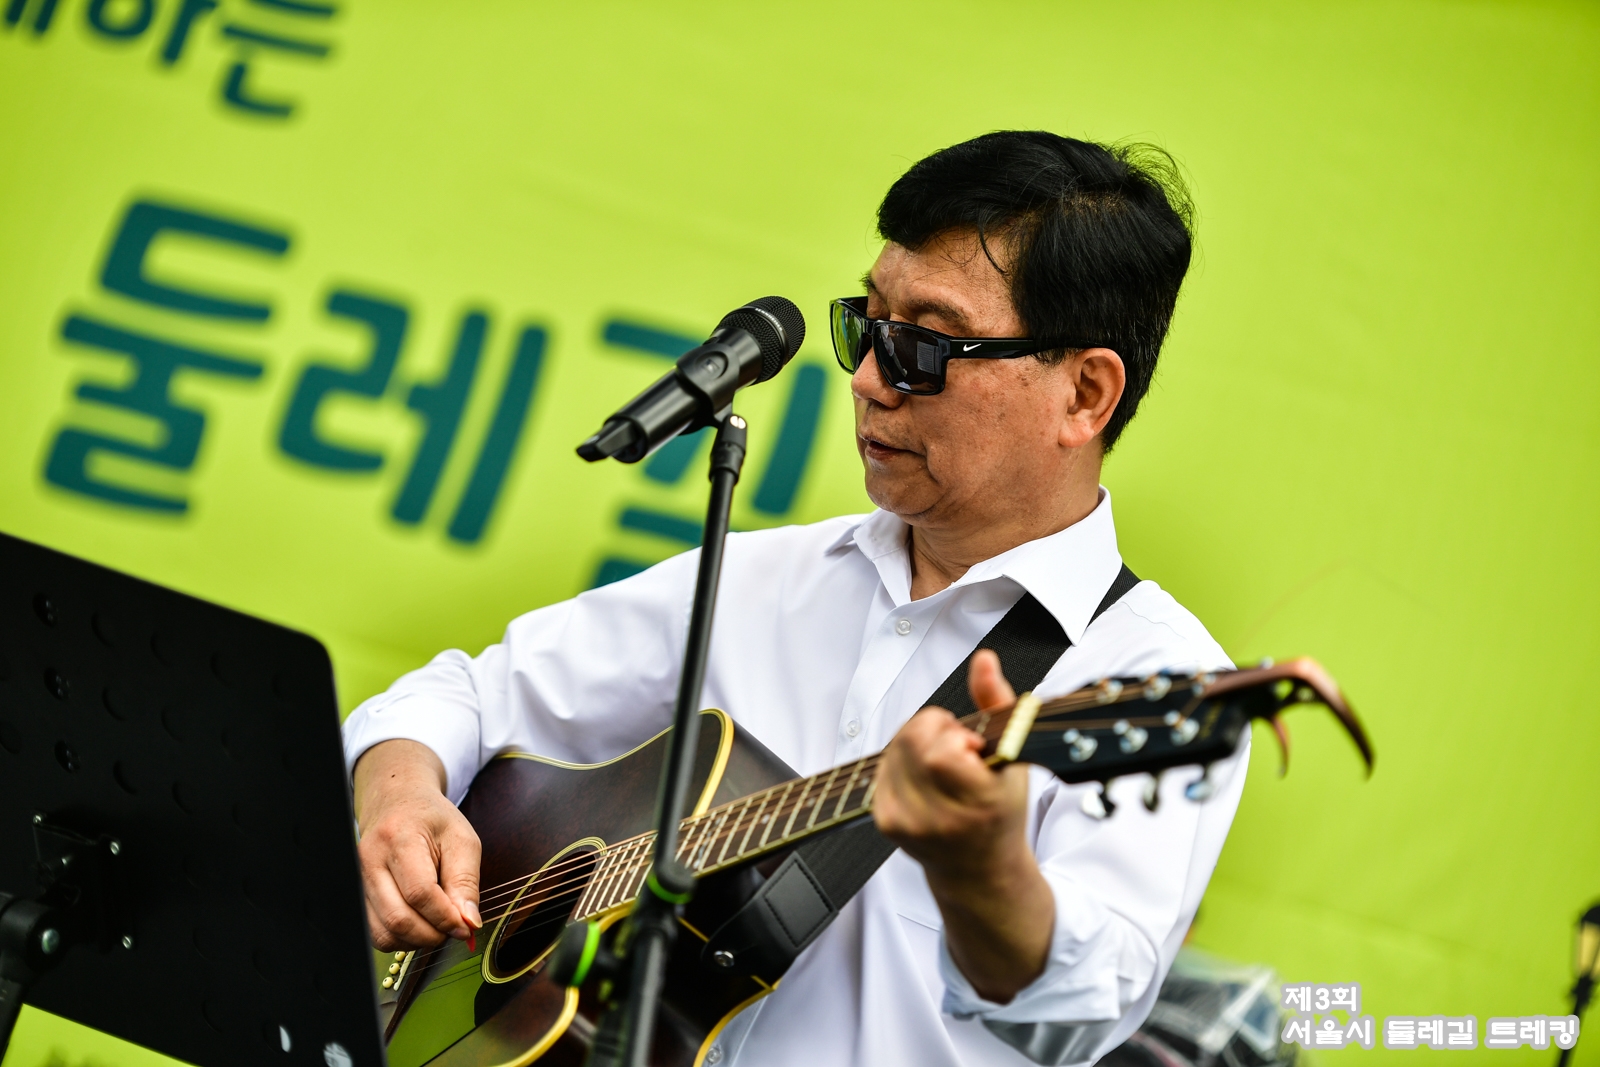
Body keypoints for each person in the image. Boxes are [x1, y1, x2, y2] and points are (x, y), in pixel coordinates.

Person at [342, 130, 1246, 1067]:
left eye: (922, 345)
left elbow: (1084, 1006)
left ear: (1085, 395)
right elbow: (466, 693)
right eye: (866, 325)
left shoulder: (1156, 675)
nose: (867, 380)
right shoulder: (760, 577)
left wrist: (985, 869)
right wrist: (399, 797)